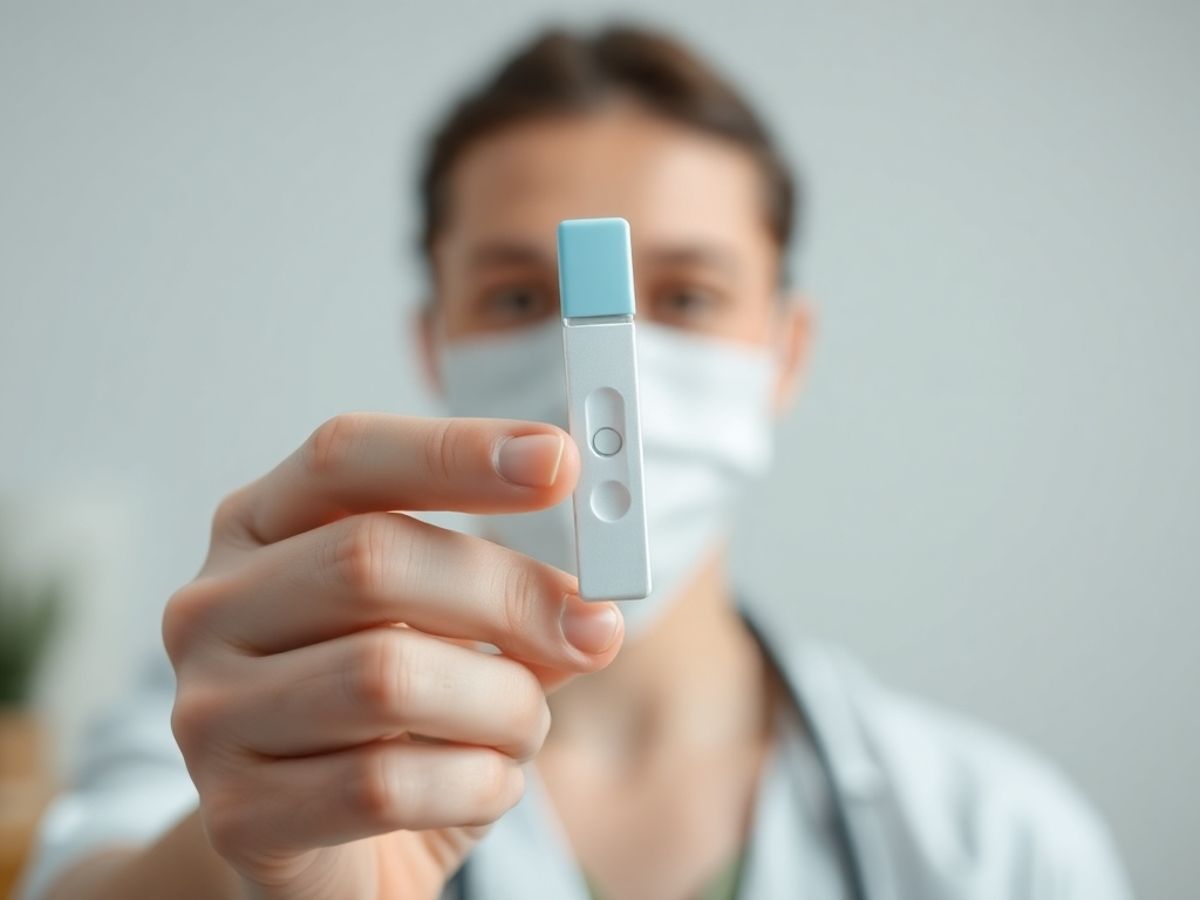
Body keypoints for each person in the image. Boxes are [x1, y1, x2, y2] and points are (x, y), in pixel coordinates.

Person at [16, 23, 1132, 900]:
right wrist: (256, 864)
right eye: (516, 297)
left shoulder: (1001, 838)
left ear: (786, 354)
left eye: (690, 295)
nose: (614, 359)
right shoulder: (252, 707)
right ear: (434, 344)